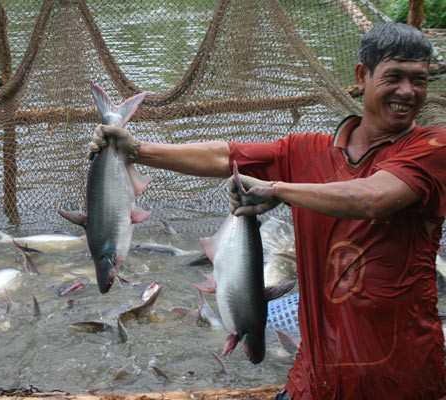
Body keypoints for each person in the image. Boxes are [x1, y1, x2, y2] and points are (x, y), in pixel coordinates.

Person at [88, 22, 446, 399]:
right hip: (316, 377)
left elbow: (372, 198)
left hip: (400, 378)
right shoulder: (307, 151)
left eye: (419, 80)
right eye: (395, 77)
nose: (408, 92)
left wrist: (278, 189)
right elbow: (225, 155)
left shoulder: (433, 146)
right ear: (362, 75)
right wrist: (134, 150)